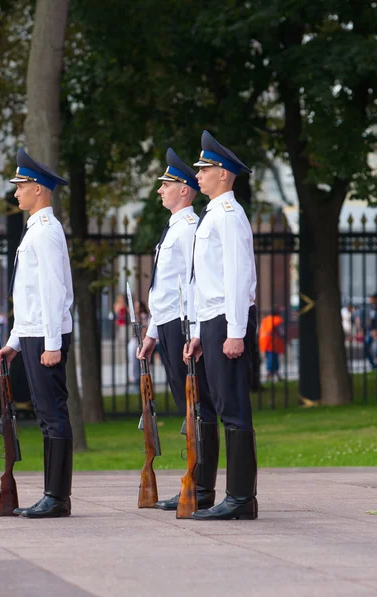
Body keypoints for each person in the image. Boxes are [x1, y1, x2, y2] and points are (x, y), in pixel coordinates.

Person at [137, 148, 219, 512]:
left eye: (166, 184)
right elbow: (165, 290)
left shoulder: (188, 229)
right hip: (169, 324)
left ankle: (201, 487)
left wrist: (195, 330)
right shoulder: (175, 229)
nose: (161, 190)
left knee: (197, 407)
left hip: (184, 326)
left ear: (184, 190)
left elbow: (194, 283)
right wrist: (153, 332)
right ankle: (193, 479)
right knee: (187, 408)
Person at [0, 148, 73, 519]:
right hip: (35, 334)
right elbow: (28, 296)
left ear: (39, 189)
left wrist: (52, 344)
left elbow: (52, 291)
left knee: (52, 414)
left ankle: (56, 497)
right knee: (46, 414)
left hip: (46, 337)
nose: (16, 193)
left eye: (21, 185)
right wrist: (14, 341)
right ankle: (52, 494)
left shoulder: (44, 232)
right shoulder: (36, 232)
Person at [184, 130, 258, 521]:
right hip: (212, 321)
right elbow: (204, 281)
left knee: (233, 408)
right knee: (224, 404)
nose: (198, 175)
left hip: (226, 320)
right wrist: (199, 332)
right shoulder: (213, 214)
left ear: (224, 174)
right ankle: (236, 496)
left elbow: (237, 276)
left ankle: (241, 498)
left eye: (205, 168)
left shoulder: (229, 215)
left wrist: (235, 330)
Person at [258, 307, 285, 382]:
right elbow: (280, 332)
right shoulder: (278, 320)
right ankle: (270, 374)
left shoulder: (266, 319)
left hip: (264, 341)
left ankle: (274, 374)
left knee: (269, 357)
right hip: (273, 341)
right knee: (273, 358)